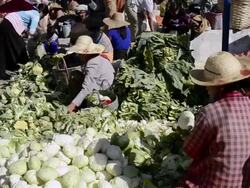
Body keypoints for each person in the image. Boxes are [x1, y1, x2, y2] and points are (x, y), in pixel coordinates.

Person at [178, 51, 250, 187]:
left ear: (219, 86)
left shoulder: (211, 112)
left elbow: (189, 151)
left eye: (208, 84)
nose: (206, 89)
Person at [67, 35, 115, 112]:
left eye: (80, 54)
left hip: (104, 91)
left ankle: (80, 105)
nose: (79, 55)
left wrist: (73, 105)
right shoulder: (95, 58)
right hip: (101, 83)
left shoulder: (93, 63)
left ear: (86, 53)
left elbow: (87, 88)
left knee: (80, 86)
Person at [0, 4, 40, 79]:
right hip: (11, 26)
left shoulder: (28, 10)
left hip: (5, 22)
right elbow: (32, 31)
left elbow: (22, 23)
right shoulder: (36, 14)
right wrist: (37, 34)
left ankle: (3, 72)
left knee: (3, 48)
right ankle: (25, 69)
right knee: (21, 48)